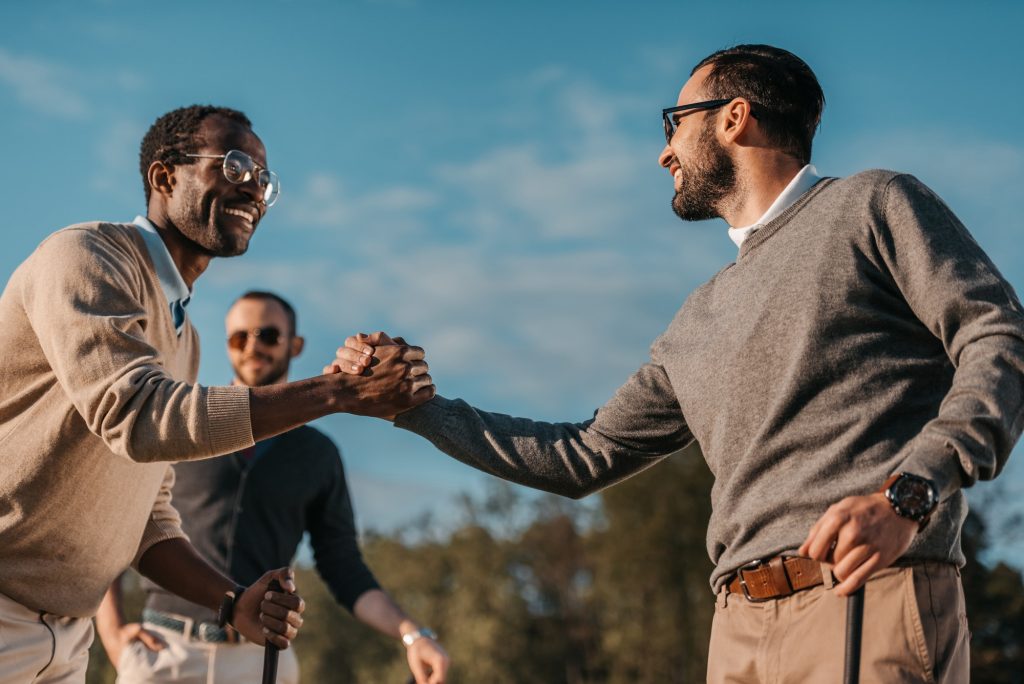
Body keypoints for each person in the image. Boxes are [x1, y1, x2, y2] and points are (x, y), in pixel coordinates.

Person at [333, 45, 1024, 682]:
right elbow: (585, 455)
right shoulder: (697, 318)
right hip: (738, 632)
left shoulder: (872, 205)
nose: (663, 153)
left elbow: (1000, 339)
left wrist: (913, 491)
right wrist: (415, 409)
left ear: (733, 117)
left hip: (864, 593)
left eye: (673, 123)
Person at [0, 105, 432, 683]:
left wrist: (232, 602)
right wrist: (337, 391)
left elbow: (149, 518)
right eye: (233, 165)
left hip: (65, 643)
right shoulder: (85, 257)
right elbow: (138, 416)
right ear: (164, 177)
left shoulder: (186, 340)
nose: (252, 187)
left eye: (264, 179)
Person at [97, 291, 450, 684]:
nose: (252, 347)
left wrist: (412, 634)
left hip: (262, 661)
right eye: (239, 337)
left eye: (268, 335)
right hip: (164, 654)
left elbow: (344, 567)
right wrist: (111, 632)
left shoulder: (318, 455)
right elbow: (120, 520)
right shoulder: (185, 427)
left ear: (295, 345)